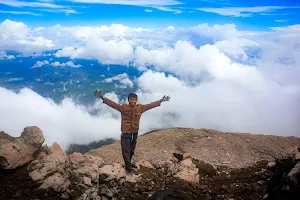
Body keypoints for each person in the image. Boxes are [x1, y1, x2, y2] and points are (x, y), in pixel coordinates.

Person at [94, 90, 170, 174]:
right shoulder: (123, 107)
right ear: (128, 100)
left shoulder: (140, 108)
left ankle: (128, 164)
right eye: (131, 99)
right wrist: (102, 97)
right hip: (126, 132)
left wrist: (161, 101)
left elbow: (150, 105)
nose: (133, 101)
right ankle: (129, 169)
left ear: (136, 100)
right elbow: (113, 104)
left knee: (132, 150)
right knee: (126, 151)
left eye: (134, 99)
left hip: (135, 132)